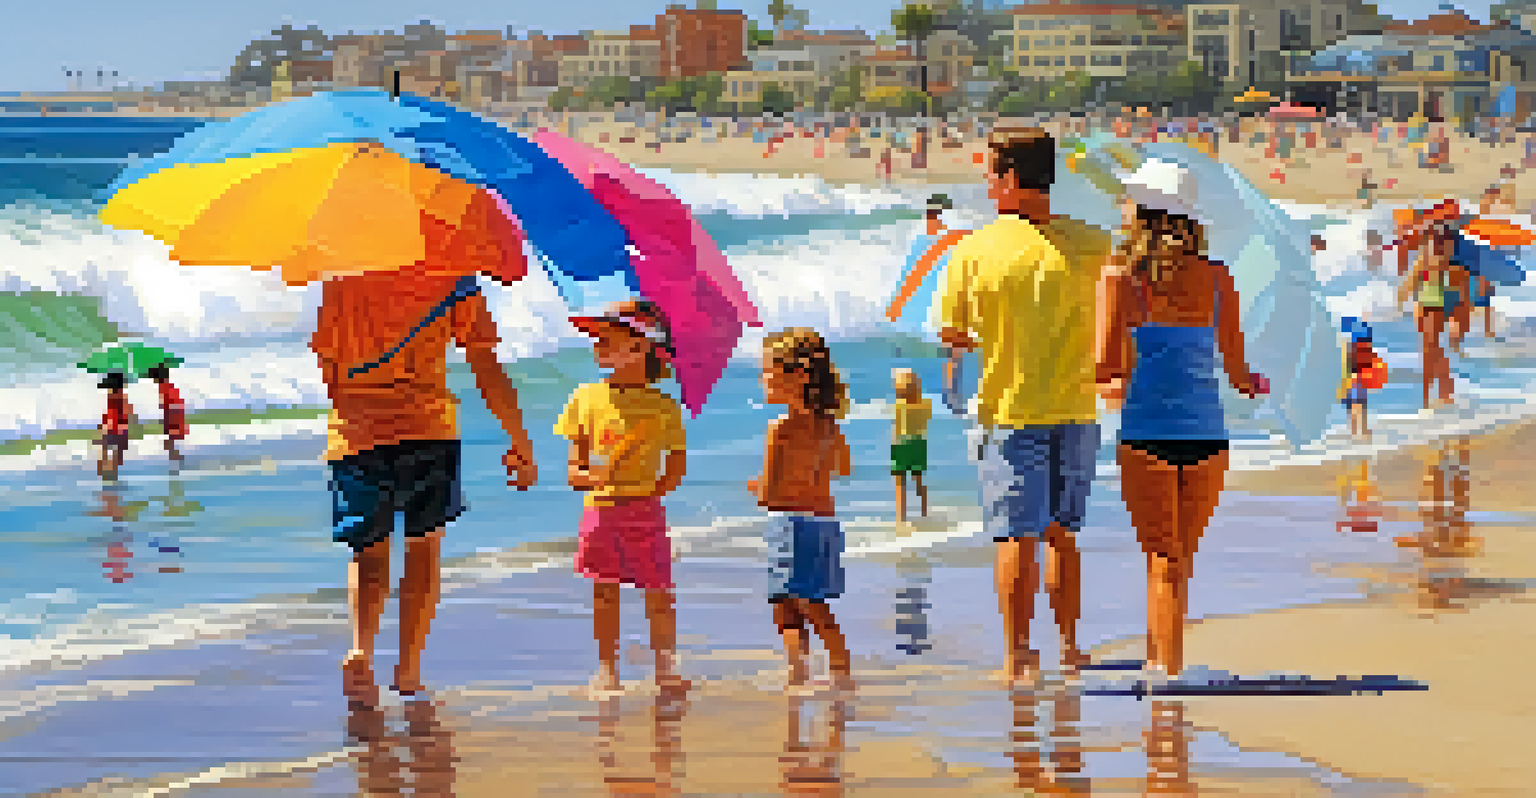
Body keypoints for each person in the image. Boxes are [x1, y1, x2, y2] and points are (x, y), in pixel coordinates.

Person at [936, 126, 1112, 683]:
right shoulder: (1093, 243)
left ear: (1010, 178)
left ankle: (1016, 657)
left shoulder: (975, 249)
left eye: (990, 173)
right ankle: (1070, 648)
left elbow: (953, 333)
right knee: (1063, 532)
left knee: (1016, 536)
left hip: (1009, 410)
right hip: (1079, 408)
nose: (987, 184)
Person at [312, 267, 538, 699]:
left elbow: (330, 372)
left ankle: (361, 649)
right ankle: (409, 667)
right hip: (428, 431)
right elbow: (485, 367)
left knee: (368, 551)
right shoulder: (454, 276)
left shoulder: (342, 278)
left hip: (356, 436)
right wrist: (518, 438)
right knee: (423, 548)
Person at [1096, 201, 1266, 680]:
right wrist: (1257, 384)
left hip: (1146, 433)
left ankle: (1166, 673)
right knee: (1178, 561)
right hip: (1207, 436)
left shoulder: (1120, 279)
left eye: (1128, 203)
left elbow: (1105, 366)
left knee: (1160, 559)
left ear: (1146, 215)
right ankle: (1161, 659)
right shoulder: (1217, 279)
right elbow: (1237, 372)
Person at [557, 299, 689, 694]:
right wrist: (604, 476)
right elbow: (573, 473)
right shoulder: (585, 397)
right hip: (600, 512)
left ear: (641, 346)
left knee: (659, 591)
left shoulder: (663, 406)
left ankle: (665, 666)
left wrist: (653, 491)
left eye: (606, 339)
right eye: (596, 339)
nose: (597, 346)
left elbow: (676, 464)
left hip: (646, 510)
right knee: (604, 592)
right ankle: (607, 667)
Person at [750, 328, 855, 692]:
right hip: (824, 523)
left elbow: (770, 494)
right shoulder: (829, 426)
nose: (762, 378)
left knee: (798, 603)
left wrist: (756, 489)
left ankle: (832, 669)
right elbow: (844, 468)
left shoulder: (779, 428)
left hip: (791, 526)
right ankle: (805, 672)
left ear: (798, 376)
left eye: (767, 370)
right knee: (797, 601)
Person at [890, 368, 932, 522]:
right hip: (918, 443)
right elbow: (927, 419)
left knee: (900, 484)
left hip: (900, 444)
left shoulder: (898, 406)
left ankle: (901, 518)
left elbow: (895, 426)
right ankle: (924, 511)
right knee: (919, 480)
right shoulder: (925, 405)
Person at [145, 363, 186, 462]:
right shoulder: (166, 386)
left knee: (169, 441)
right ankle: (176, 458)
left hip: (172, 415)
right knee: (169, 441)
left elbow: (171, 403)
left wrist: (168, 419)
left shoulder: (165, 387)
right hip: (172, 414)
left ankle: (176, 459)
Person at [97, 371, 133, 479]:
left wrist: (104, 426)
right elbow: (125, 413)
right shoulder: (121, 397)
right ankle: (110, 473)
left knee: (105, 449)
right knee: (115, 453)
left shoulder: (115, 397)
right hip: (119, 428)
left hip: (114, 428)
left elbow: (112, 414)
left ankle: (104, 473)